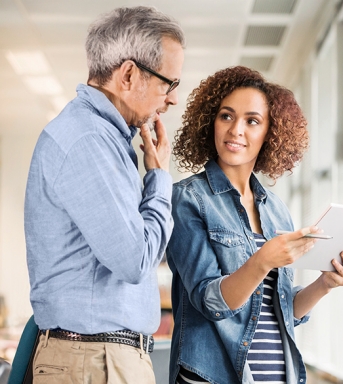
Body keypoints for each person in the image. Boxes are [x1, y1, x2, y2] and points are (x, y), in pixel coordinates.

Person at [166, 66, 343, 384]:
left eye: (251, 121)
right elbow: (211, 302)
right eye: (226, 116)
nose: (235, 130)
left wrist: (325, 284)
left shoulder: (276, 210)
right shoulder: (187, 199)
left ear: (270, 132)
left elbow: (281, 309)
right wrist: (263, 260)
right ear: (210, 121)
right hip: (213, 376)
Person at [24, 6, 185, 383]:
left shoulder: (105, 141)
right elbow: (135, 259)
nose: (172, 99)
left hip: (98, 359)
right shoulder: (88, 140)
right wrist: (158, 178)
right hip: (94, 362)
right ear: (128, 75)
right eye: (169, 84)